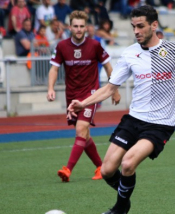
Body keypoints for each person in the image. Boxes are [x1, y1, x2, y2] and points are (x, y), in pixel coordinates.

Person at [67, 5, 175, 214]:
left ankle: (120, 207)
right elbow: (109, 88)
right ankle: (125, 195)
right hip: (134, 119)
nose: (136, 31)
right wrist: (82, 103)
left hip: (161, 124)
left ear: (154, 25)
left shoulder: (174, 48)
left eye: (141, 26)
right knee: (106, 171)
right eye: (133, 26)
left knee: (128, 163)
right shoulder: (129, 53)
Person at [47, 10, 121, 183]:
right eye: (75, 26)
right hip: (71, 96)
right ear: (70, 27)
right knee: (84, 135)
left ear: (86, 28)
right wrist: (50, 88)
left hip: (91, 95)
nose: (79, 29)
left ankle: (67, 169)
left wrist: (114, 90)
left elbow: (109, 67)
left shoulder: (95, 45)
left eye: (82, 26)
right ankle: (101, 168)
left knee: (81, 129)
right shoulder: (62, 46)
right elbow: (54, 69)